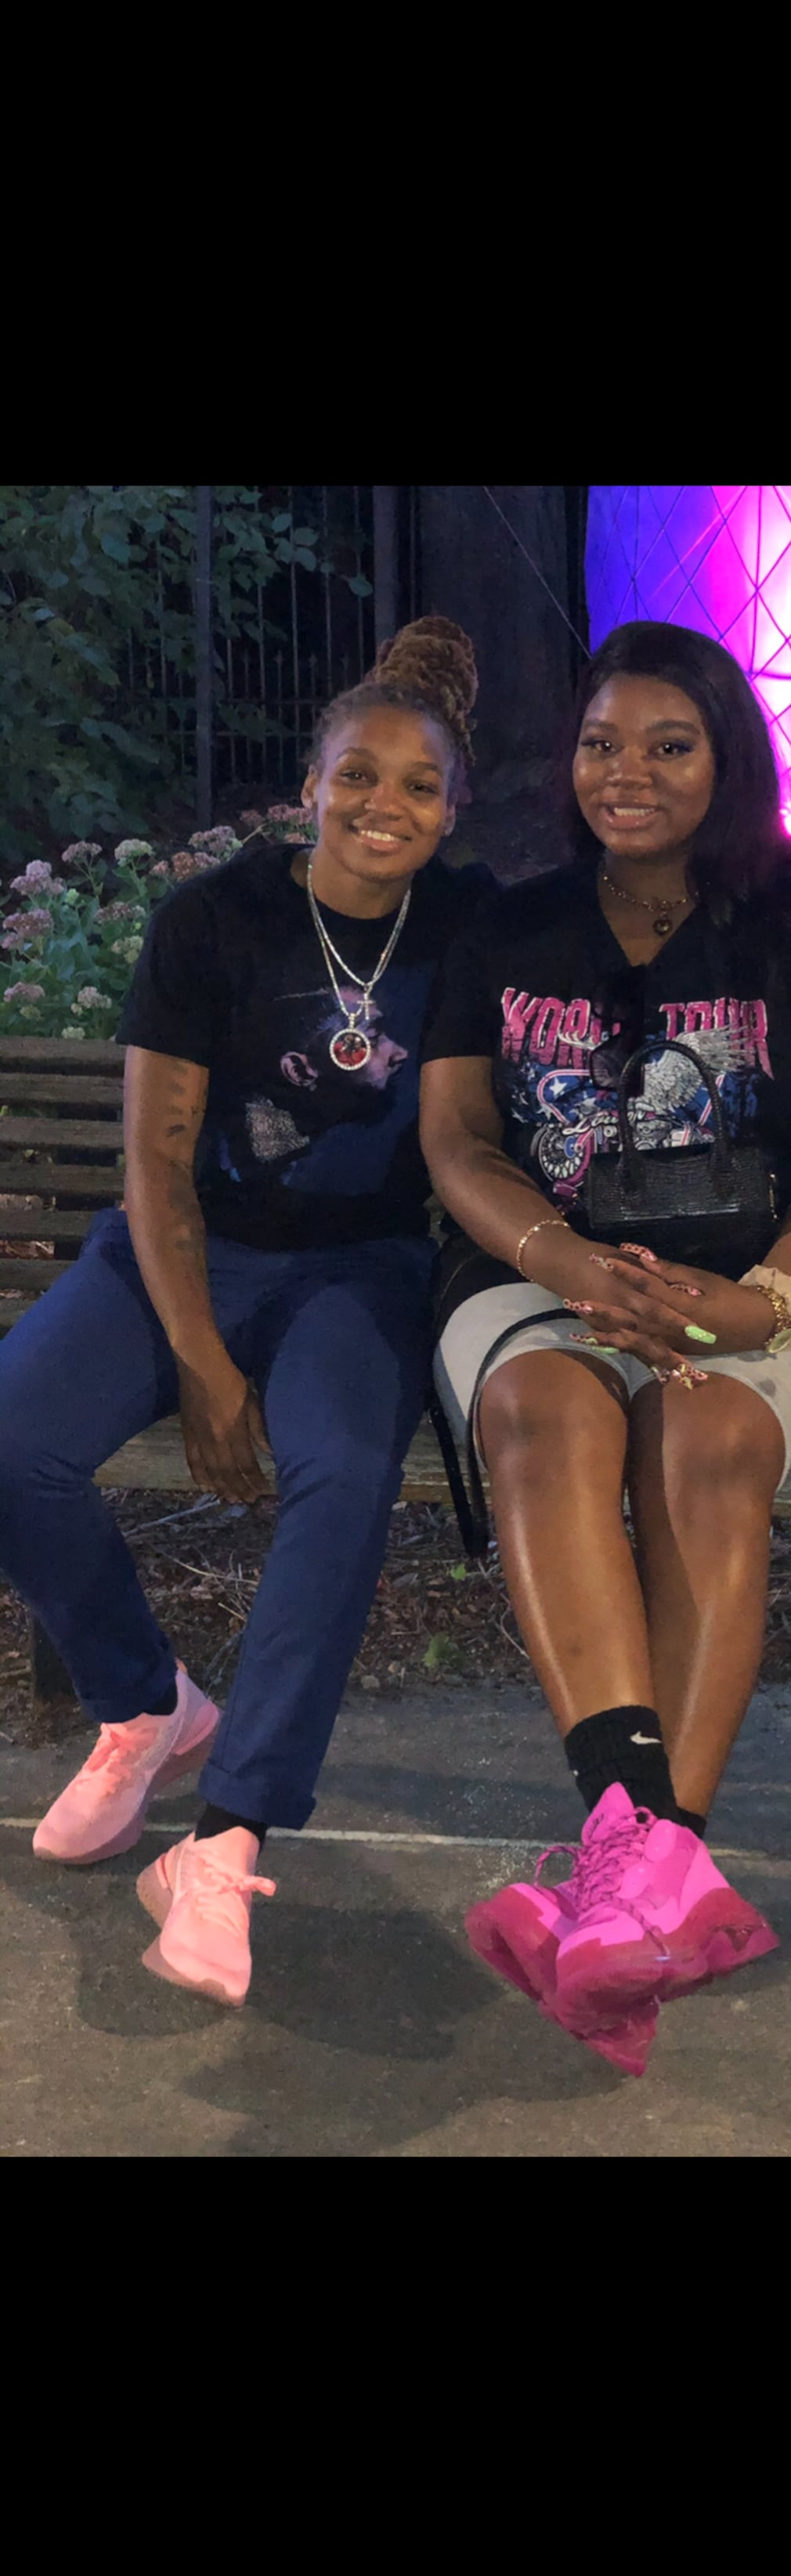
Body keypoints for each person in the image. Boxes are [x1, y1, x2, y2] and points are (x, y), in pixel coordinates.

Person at [419, 620, 791, 2074]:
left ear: (729, 760)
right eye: (600, 743)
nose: (625, 773)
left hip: (750, 1284)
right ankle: (658, 1875)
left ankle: (625, 1886)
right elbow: (457, 1137)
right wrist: (564, 1261)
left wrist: (756, 1303)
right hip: (528, 1269)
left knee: (707, 1444)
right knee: (546, 1420)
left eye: (668, 745)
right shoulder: (505, 926)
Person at [0, 616, 493, 2004]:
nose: (382, 805)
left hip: (357, 1275)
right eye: (358, 774)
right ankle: (145, 1703)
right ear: (311, 779)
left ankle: (226, 1838)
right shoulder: (213, 918)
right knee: (9, 1441)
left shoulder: (468, 922)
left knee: (341, 1476)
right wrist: (206, 1362)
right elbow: (155, 1158)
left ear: (453, 807)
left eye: (417, 784)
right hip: (186, 1250)